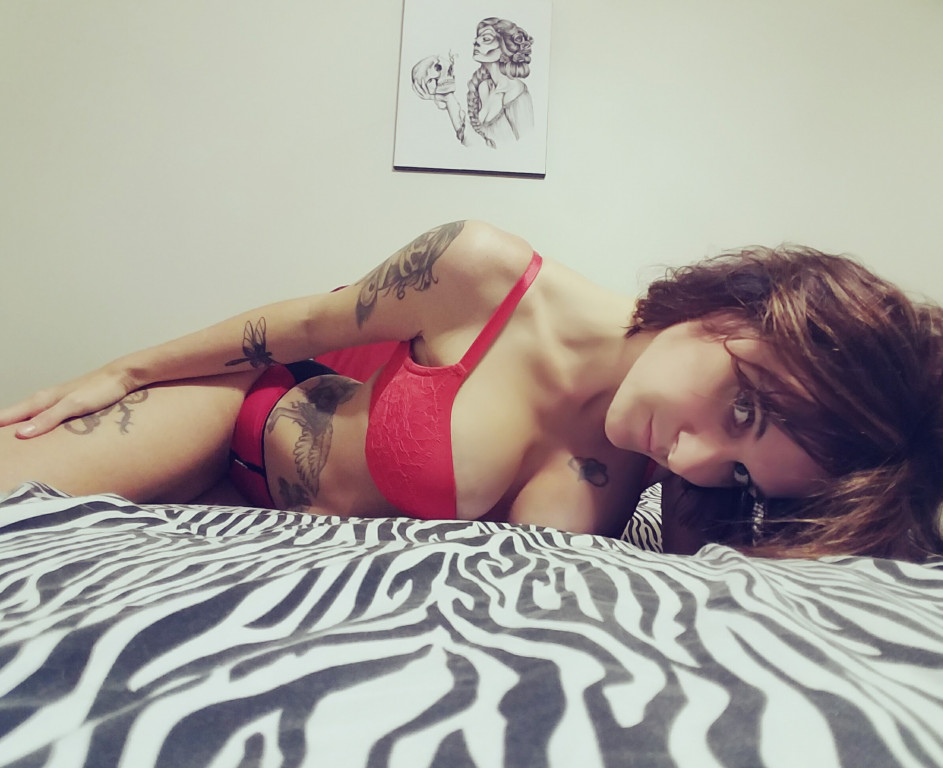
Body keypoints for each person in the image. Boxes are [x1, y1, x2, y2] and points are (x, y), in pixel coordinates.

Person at [1, 220, 941, 561]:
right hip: (235, 421)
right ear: (741, 305)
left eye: (738, 470)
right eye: (741, 409)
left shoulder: (656, 474)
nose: (692, 456)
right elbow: (300, 326)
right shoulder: (485, 271)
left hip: (253, 530)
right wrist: (124, 370)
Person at [466, 18, 535, 148]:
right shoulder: (484, 87)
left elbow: (527, 144)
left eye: (486, 39)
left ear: (504, 49)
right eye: (477, 38)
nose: (476, 42)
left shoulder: (516, 91)